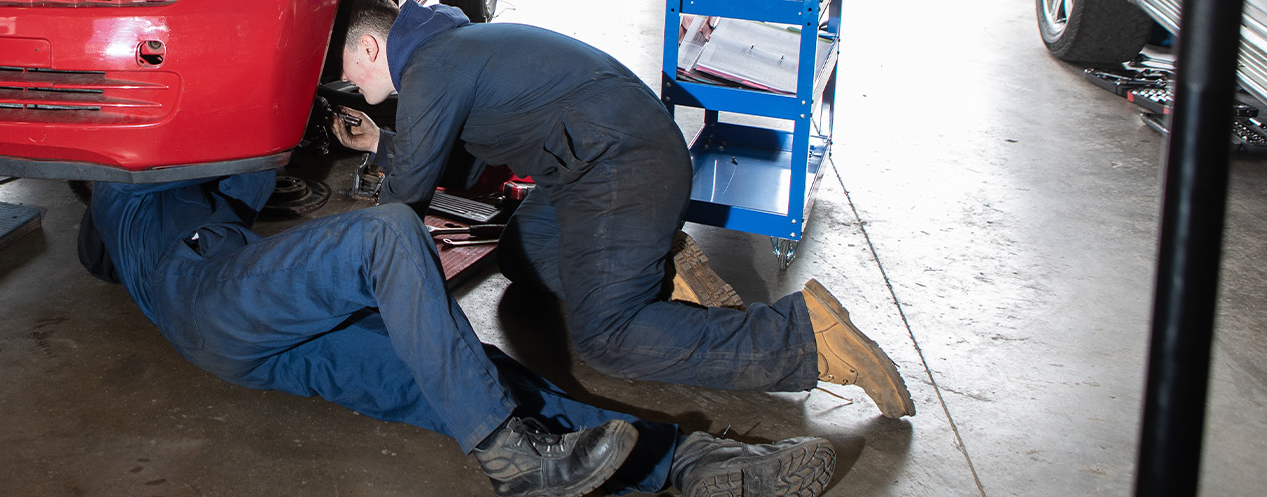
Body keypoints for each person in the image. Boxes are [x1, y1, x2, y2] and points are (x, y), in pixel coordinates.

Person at [330, 0, 916, 419]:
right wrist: (379, 141)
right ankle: (657, 270)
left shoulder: (430, 67)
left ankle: (803, 336)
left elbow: (407, 195)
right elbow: (455, 159)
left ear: (370, 45)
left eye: (347, 71)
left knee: (605, 337)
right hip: (602, 168)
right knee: (521, 252)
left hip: (623, 170)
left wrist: (345, 269)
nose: (352, 85)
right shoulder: (450, 48)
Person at [79, 171, 839, 497]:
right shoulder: (132, 169)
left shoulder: (123, 226)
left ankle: (690, 463)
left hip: (261, 340)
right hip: (219, 297)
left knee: (456, 368)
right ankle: (510, 460)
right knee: (384, 236)